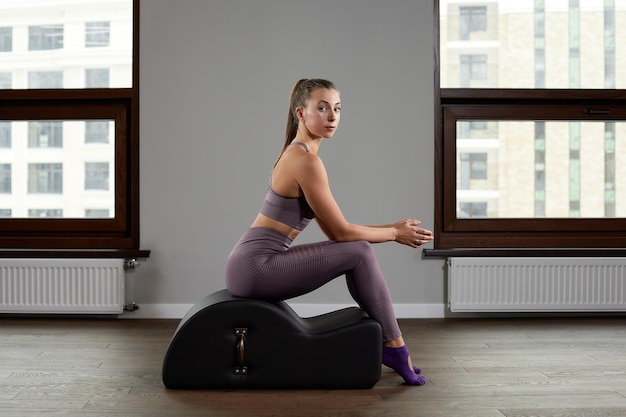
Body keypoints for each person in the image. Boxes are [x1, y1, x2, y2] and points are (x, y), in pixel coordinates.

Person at [225, 78, 433, 385]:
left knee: (358, 250)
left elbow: (339, 231)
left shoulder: (301, 155)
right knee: (359, 251)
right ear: (301, 113)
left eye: (337, 108)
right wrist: (393, 233)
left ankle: (394, 348)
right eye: (322, 108)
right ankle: (395, 347)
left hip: (250, 265)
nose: (332, 116)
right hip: (256, 268)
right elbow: (341, 233)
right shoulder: (304, 161)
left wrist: (393, 228)